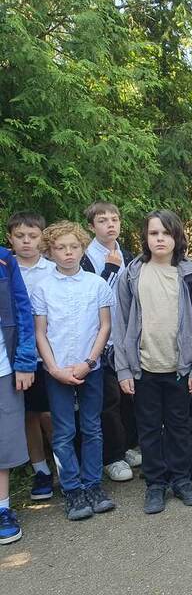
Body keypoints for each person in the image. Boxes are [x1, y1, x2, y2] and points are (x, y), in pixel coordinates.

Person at [114, 210, 192, 515]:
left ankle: (181, 480)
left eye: (166, 233)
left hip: (179, 368)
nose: (160, 239)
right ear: (145, 237)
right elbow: (120, 323)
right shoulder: (132, 274)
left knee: (179, 427)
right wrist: (123, 369)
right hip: (144, 368)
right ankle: (155, 484)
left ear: (177, 237)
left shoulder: (190, 274)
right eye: (154, 233)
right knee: (149, 429)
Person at [32, 221, 116, 521]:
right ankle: (72, 489)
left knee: (92, 427)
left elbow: (104, 326)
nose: (68, 253)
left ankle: (93, 484)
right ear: (50, 251)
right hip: (57, 370)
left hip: (90, 368)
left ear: (82, 248)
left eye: (74, 246)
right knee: (64, 431)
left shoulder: (96, 284)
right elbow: (40, 332)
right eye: (60, 248)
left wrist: (89, 362)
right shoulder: (43, 288)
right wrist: (54, 369)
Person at [80, 201, 140, 483]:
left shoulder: (127, 254)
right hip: (98, 342)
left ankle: (127, 446)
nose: (110, 225)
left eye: (114, 219)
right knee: (108, 400)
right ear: (91, 226)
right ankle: (111, 457)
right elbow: (87, 297)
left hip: (126, 338)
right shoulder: (84, 257)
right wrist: (110, 270)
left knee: (129, 396)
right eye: (103, 220)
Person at [6, 212, 55, 501]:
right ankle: (41, 471)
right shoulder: (7, 269)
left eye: (33, 236)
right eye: (20, 236)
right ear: (10, 238)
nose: (26, 241)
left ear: (42, 238)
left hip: (49, 356)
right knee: (29, 416)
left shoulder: (52, 269)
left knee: (50, 414)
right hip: (19, 358)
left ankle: (64, 464)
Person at [0, 245, 36, 544]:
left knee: (4, 442)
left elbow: (23, 310)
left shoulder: (4, 260)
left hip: (3, 367)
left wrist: (24, 362)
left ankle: (2, 509)